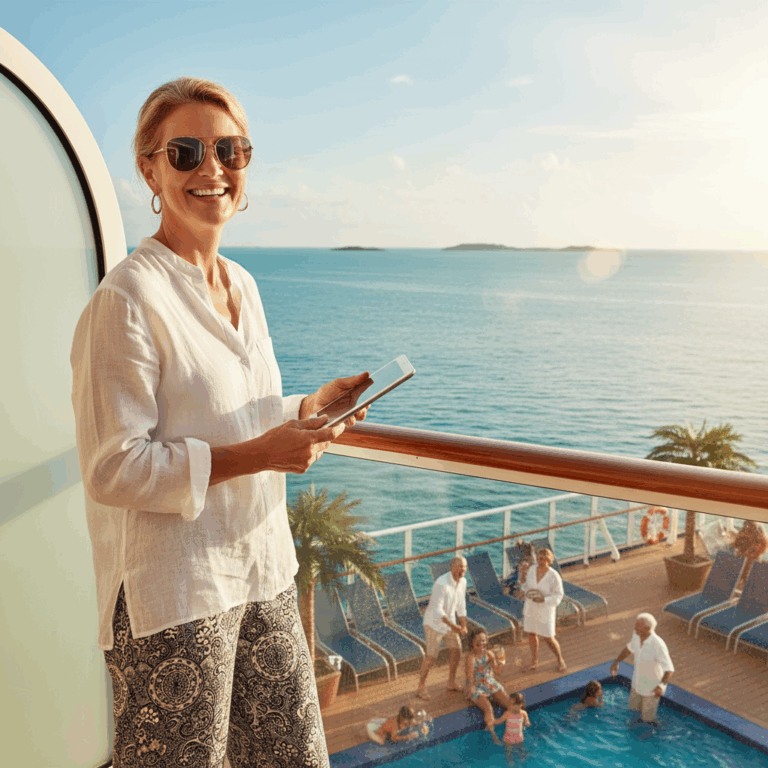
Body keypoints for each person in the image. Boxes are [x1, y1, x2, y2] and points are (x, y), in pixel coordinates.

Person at [70, 77, 370, 768]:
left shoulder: (244, 285)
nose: (212, 169)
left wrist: (303, 410)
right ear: (149, 167)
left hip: (262, 568)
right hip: (172, 595)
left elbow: (236, 410)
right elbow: (114, 467)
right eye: (186, 152)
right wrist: (263, 453)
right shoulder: (127, 299)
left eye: (230, 150)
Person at [416, 556, 469, 700]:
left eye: (464, 567)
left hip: (450, 622)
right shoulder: (441, 584)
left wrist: (463, 625)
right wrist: (454, 626)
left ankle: (451, 682)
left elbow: (461, 605)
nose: (462, 570)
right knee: (432, 656)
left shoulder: (463, 581)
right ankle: (421, 687)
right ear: (452, 568)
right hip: (434, 623)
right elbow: (438, 611)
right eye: (459, 567)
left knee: (457, 650)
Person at [610, 613, 674, 725]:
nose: (635, 629)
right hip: (636, 685)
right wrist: (617, 661)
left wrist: (661, 686)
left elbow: (669, 669)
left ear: (648, 628)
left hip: (651, 690)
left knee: (648, 719)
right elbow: (629, 649)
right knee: (633, 711)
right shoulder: (636, 635)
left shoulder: (658, 645)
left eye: (637, 627)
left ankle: (658, 730)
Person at [518, 547, 567, 672]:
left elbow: (559, 595)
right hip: (531, 607)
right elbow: (526, 586)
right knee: (532, 634)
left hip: (545, 609)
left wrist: (544, 600)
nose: (541, 561)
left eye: (544, 559)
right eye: (539, 558)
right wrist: (522, 579)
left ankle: (560, 659)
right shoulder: (531, 570)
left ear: (549, 560)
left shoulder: (554, 576)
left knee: (549, 637)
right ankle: (534, 661)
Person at [465, 629, 510, 744]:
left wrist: (501, 663)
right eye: (478, 642)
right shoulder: (471, 658)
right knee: (488, 709)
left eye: (484, 641)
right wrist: (471, 688)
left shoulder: (489, 654)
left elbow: (497, 672)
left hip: (489, 682)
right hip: (477, 684)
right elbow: (470, 678)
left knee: (510, 704)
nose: (482, 644)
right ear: (472, 644)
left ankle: (508, 725)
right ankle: (493, 734)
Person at [493, 691, 530, 762]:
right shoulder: (508, 713)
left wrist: (527, 723)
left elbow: (527, 721)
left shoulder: (523, 713)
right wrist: (493, 721)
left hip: (519, 737)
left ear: (521, 704)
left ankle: (522, 757)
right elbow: (500, 721)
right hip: (509, 738)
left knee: (521, 749)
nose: (511, 707)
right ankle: (510, 762)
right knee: (508, 752)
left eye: (514, 704)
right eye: (510, 704)